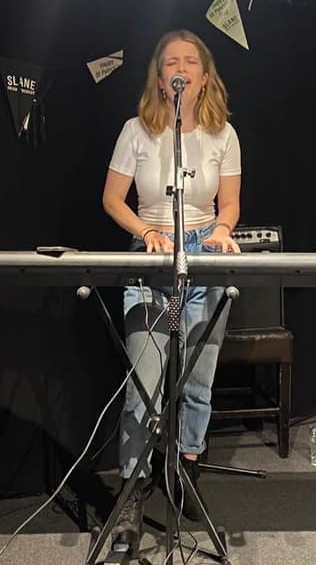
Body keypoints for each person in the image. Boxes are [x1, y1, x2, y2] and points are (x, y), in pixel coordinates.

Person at [102, 29, 241, 550]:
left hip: (205, 255)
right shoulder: (136, 130)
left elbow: (230, 203)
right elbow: (112, 199)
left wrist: (222, 230)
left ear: (204, 78)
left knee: (198, 382)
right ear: (160, 80)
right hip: (151, 256)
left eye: (190, 62)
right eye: (170, 63)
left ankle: (185, 470)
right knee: (145, 385)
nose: (180, 69)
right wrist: (146, 232)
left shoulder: (224, 133)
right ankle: (132, 493)